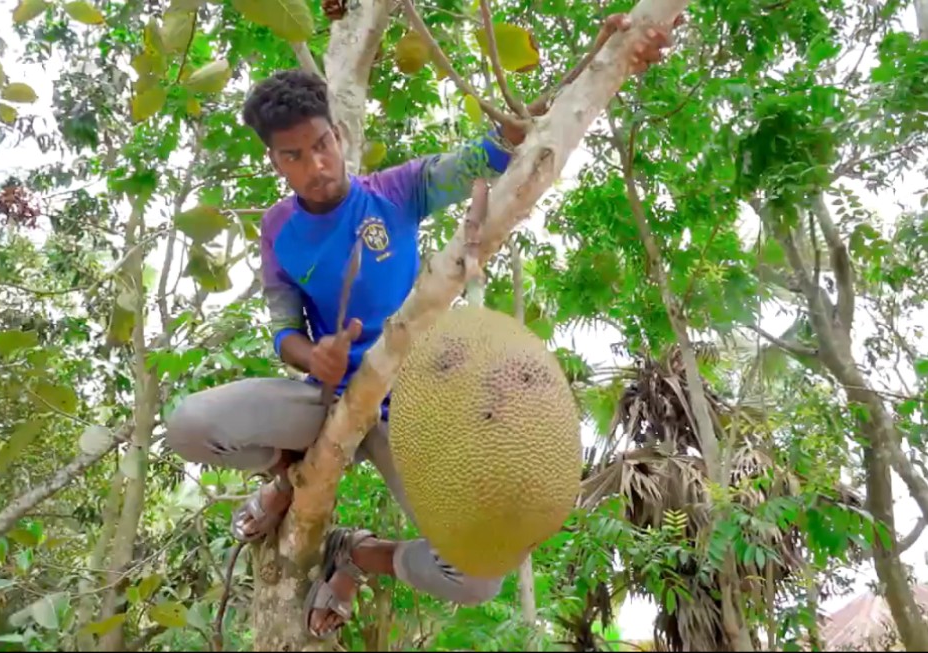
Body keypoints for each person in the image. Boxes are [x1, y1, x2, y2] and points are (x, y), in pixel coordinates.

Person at [166, 14, 679, 640]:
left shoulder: (397, 191)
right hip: (323, 399)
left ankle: (356, 555)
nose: (316, 163)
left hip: (407, 409)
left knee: (479, 575)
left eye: (323, 144)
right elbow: (283, 328)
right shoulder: (279, 229)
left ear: (338, 136)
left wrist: (604, 58)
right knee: (189, 425)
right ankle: (287, 474)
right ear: (274, 160)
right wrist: (312, 356)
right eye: (294, 155)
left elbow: (501, 144)